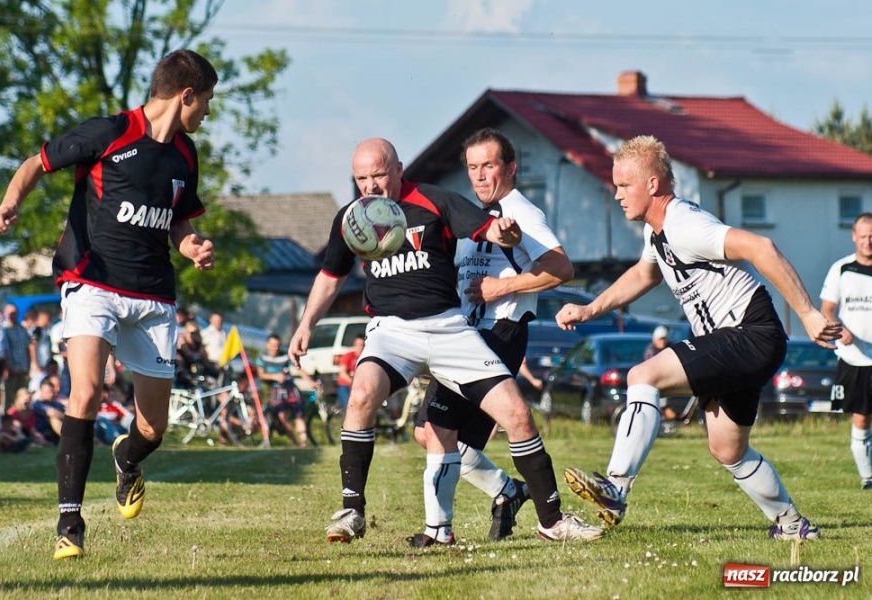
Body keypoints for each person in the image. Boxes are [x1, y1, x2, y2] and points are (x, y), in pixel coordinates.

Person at [288, 138, 601, 545]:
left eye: (379, 175)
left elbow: (488, 227)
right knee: (362, 393)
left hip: (449, 328)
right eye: (362, 178)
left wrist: (505, 232)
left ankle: (552, 521)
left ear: (399, 169)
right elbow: (331, 277)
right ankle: (352, 510)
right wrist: (307, 323)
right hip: (392, 331)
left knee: (517, 414)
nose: (371, 186)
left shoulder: (436, 200)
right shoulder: (352, 218)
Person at [0, 49, 217, 560]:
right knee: (85, 392)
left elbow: (179, 223)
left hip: (153, 294)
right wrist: (9, 205)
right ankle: (70, 523)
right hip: (91, 281)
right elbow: (36, 163)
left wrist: (193, 244)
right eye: (205, 102)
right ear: (185, 96)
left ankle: (128, 458)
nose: (207, 113)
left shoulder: (185, 154)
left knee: (154, 427)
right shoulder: (109, 132)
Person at [556, 135, 840, 541]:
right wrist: (589, 309)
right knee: (728, 449)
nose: (616, 194)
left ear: (653, 185)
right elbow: (643, 274)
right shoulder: (657, 233)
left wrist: (808, 314)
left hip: (748, 332)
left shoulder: (685, 224)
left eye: (624, 185)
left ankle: (616, 487)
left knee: (642, 376)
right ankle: (794, 527)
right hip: (746, 341)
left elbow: (762, 247)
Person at [411, 128, 576, 545]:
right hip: (465, 334)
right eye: (472, 167)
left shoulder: (522, 212)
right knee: (431, 432)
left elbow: (561, 269)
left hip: (502, 330)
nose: (480, 175)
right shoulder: (472, 216)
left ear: (510, 167)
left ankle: (539, 514)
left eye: (489, 165)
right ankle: (507, 491)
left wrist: (501, 288)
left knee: (448, 429)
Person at [820, 212, 872, 490]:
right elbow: (827, 309)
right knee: (861, 416)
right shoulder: (841, 268)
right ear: (854, 236)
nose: (868, 241)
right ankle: (867, 477)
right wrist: (839, 328)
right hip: (855, 358)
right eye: (863, 236)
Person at [257, 334, 316, 448]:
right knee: (282, 415)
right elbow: (261, 374)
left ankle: (304, 443)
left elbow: (298, 369)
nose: (275, 347)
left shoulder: (285, 355)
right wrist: (274, 377)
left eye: (277, 345)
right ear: (267, 345)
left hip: (290, 388)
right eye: (273, 345)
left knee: (299, 414)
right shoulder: (262, 357)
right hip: (276, 390)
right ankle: (295, 442)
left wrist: (310, 381)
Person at [2, 303, 32, 414]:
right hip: (11, 369)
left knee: (22, 396)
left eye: (14, 313)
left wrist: (29, 366)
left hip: (23, 368)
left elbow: (28, 348)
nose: (12, 315)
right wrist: (6, 367)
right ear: (5, 314)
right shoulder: (4, 329)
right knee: (9, 396)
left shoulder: (22, 329)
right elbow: (4, 350)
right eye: (10, 313)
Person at [336, 335, 365, 411]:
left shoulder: (365, 357)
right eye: (358, 345)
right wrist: (353, 383)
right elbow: (342, 373)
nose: (360, 347)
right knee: (349, 407)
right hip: (346, 385)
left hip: (360, 386)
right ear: (354, 345)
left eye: (362, 345)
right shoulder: (348, 356)